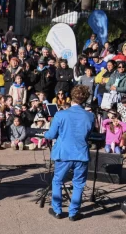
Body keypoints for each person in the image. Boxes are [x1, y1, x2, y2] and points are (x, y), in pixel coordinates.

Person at [44, 85, 94, 221]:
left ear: (72, 97)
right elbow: (89, 134)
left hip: (64, 153)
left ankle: (57, 210)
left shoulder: (61, 114)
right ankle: (73, 213)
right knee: (78, 183)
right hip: (81, 154)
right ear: (84, 99)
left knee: (57, 181)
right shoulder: (90, 116)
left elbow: (51, 134)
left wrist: (44, 133)